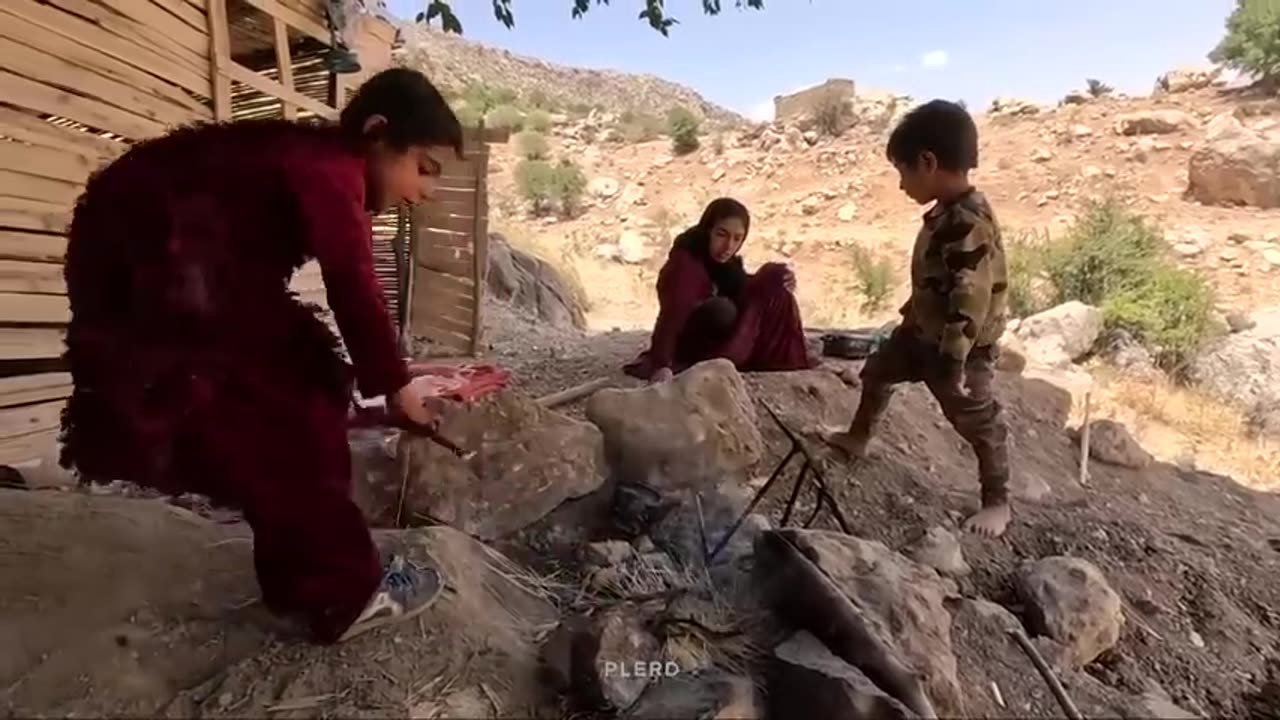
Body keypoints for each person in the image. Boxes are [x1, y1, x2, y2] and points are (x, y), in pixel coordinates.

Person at [59, 68, 460, 643]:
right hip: (155, 261)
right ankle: (345, 593)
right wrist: (397, 389)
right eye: (423, 168)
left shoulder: (313, 158)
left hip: (165, 263)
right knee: (292, 406)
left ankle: (302, 584)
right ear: (376, 132)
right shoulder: (329, 169)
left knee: (295, 388)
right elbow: (352, 281)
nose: (426, 192)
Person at [825, 100, 1013, 538]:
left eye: (903, 172)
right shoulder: (947, 214)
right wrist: (911, 320)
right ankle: (859, 437)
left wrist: (953, 360)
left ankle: (997, 502)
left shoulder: (967, 222)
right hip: (921, 333)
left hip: (961, 348)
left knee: (977, 421)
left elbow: (971, 297)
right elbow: (939, 280)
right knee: (877, 372)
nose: (901, 184)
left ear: (927, 162)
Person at [624, 198, 815, 382]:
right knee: (722, 309)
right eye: (721, 235)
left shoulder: (727, 267)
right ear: (707, 231)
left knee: (774, 279)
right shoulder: (686, 265)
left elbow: (744, 288)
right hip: (691, 347)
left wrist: (778, 277)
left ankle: (783, 355)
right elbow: (671, 316)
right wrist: (662, 364)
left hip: (725, 343)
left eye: (737, 238)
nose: (728, 246)